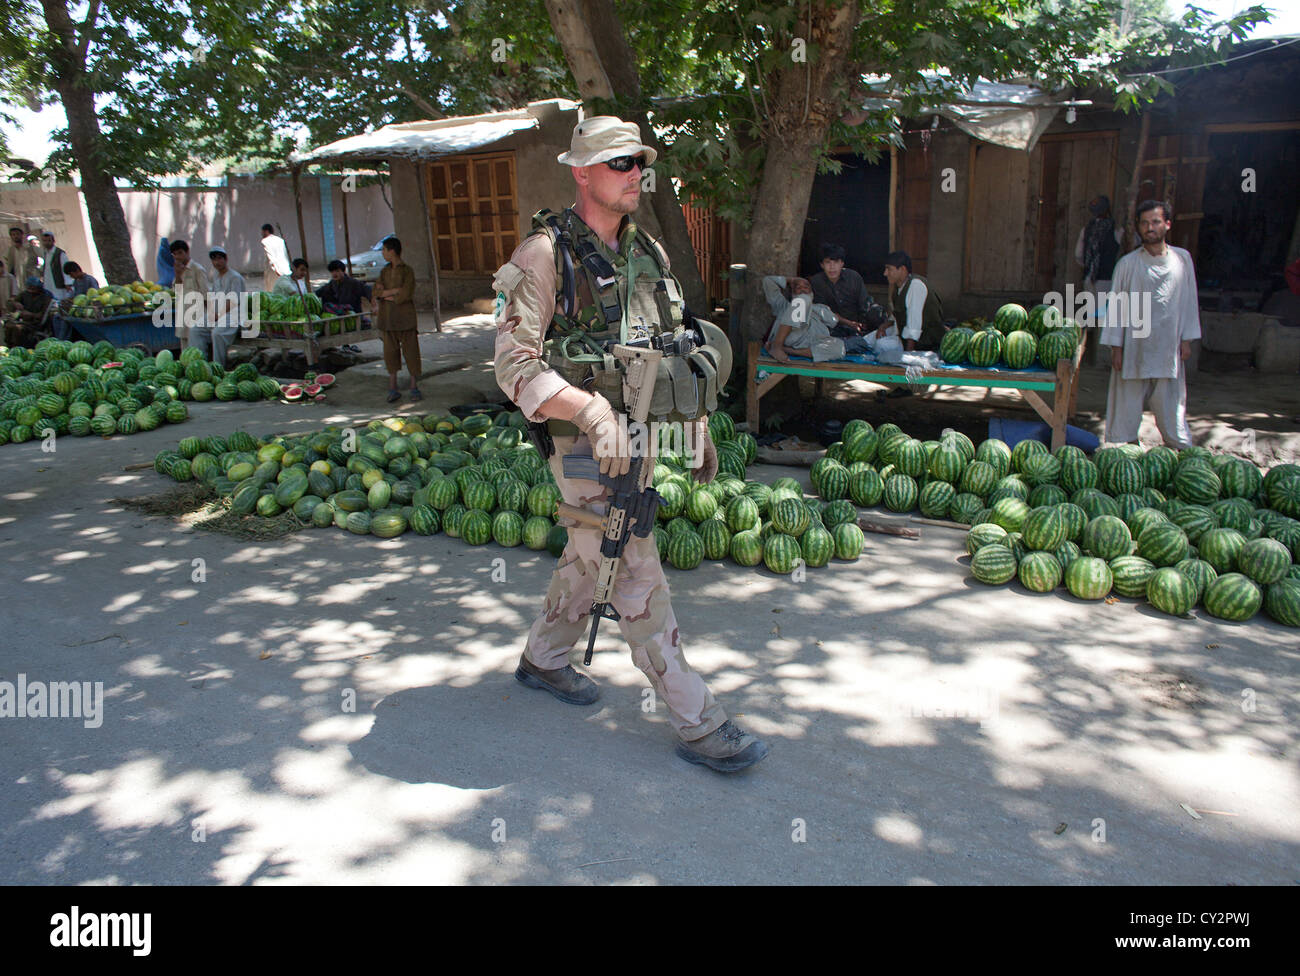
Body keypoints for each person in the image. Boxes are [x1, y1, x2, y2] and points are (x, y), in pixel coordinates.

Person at [492, 114, 766, 773]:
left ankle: (545, 658)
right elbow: (514, 365)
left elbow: (673, 352)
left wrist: (692, 427)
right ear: (582, 173)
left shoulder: (649, 253)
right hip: (580, 439)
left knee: (592, 548)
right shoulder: (541, 255)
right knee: (632, 563)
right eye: (619, 163)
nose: (635, 173)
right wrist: (590, 411)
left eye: (639, 162)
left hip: (643, 429)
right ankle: (699, 722)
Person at [1099, 200, 1200, 449]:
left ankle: (1178, 450)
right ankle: (1128, 452)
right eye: (1144, 223)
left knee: (1170, 405)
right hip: (1134, 347)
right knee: (1126, 405)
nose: (1149, 228)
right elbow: (1117, 309)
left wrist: (1186, 340)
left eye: (1155, 222)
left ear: (1167, 224)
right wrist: (1116, 348)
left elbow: (1189, 301)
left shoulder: (1182, 260)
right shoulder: (1127, 264)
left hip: (1168, 347)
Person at [762, 274, 895, 363]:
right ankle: (777, 346)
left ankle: (787, 350)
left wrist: (851, 324)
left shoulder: (819, 308)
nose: (802, 290)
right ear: (792, 293)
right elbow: (768, 281)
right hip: (787, 335)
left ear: (812, 293)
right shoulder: (783, 305)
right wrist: (792, 280)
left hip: (807, 343)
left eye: (806, 287)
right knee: (802, 300)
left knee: (839, 348)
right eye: (798, 288)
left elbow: (834, 318)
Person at [373, 237, 420, 402]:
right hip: (387, 319)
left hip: (406, 319)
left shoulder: (407, 271)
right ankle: (393, 387)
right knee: (390, 354)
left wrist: (387, 294)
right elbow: (377, 292)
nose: (383, 253)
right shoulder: (384, 271)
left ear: (391, 251)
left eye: (384, 250)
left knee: (411, 352)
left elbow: (406, 294)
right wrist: (393, 292)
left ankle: (414, 386)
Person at [809, 243, 872, 333]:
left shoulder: (854, 277)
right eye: (828, 262)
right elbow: (823, 311)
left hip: (858, 325)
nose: (832, 267)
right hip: (829, 327)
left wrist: (862, 324)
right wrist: (850, 324)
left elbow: (864, 304)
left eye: (836, 262)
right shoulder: (817, 282)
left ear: (842, 263)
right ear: (822, 265)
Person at [199, 246, 246, 365]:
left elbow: (234, 301)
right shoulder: (216, 276)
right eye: (214, 259)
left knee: (217, 333)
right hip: (218, 315)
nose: (217, 262)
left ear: (226, 259)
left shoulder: (235, 277)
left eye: (220, 258)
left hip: (233, 315)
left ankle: (218, 366)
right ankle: (199, 364)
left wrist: (217, 314)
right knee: (196, 328)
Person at [170, 240, 209, 349]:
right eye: (175, 254)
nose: (178, 257)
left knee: (197, 349)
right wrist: (178, 274)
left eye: (180, 253)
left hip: (197, 316)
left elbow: (206, 294)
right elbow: (176, 291)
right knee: (185, 351)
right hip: (183, 315)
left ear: (187, 252)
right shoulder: (179, 270)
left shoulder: (198, 269)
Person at [4, 277, 54, 347]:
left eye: (33, 288)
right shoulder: (25, 294)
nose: (31, 291)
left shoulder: (46, 297)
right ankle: (9, 346)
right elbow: (11, 302)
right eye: (29, 288)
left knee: (17, 329)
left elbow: (43, 315)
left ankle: (19, 347)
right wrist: (15, 303)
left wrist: (31, 315)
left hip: (35, 324)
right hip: (23, 321)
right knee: (8, 325)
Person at [40, 231, 70, 302]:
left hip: (58, 283)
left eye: (49, 240)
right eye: (44, 241)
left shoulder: (60, 253)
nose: (47, 243)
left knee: (60, 300)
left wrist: (68, 283)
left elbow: (65, 269)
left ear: (53, 241)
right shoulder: (45, 253)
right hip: (48, 282)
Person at [260, 223, 291, 292]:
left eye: (262, 232)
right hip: (284, 269)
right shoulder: (280, 240)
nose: (262, 234)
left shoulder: (266, 241)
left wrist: (276, 269)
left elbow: (270, 256)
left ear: (266, 231)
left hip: (273, 270)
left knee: (272, 289)